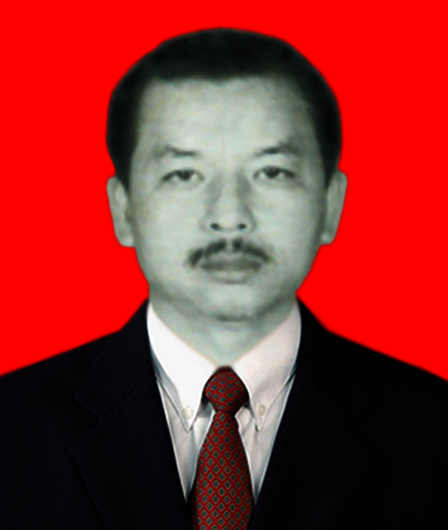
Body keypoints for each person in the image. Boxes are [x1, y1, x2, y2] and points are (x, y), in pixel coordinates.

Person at [1, 29, 447, 530]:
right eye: (184, 175)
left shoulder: (435, 432)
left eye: (271, 172)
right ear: (123, 209)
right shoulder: (10, 427)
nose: (230, 218)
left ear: (330, 204)